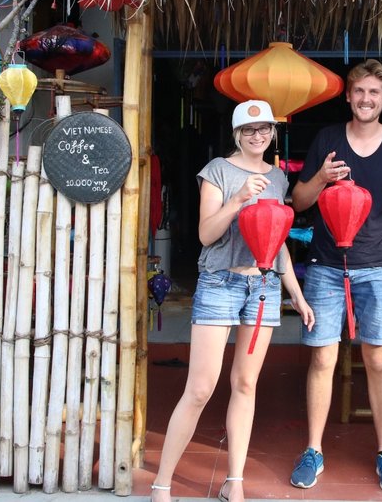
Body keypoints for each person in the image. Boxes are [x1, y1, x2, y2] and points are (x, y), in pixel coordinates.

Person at [150, 99, 315, 502]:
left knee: (245, 383)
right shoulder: (218, 171)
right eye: (249, 130)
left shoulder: (278, 178)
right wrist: (238, 198)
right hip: (220, 282)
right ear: (237, 134)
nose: (258, 136)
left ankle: (234, 481)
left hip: (263, 288)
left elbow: (277, 241)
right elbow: (206, 234)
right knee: (200, 387)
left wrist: (296, 293)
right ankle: (162, 483)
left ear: (272, 132)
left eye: (264, 129)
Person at [289, 59, 382, 493]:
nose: (366, 99)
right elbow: (298, 201)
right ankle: (313, 449)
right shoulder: (328, 140)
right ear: (348, 96)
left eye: (374, 93)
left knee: (378, 359)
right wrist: (321, 178)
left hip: (378, 267)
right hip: (325, 267)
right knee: (322, 359)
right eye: (359, 91)